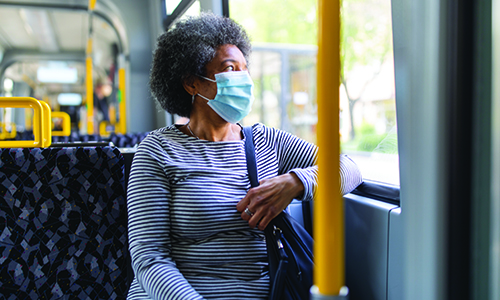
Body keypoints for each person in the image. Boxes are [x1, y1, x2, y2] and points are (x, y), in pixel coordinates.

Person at [127, 13, 363, 300]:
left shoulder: (265, 141)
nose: (244, 79)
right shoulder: (158, 150)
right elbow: (149, 258)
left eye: (245, 69)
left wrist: (295, 182)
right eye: (230, 69)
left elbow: (349, 168)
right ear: (192, 84)